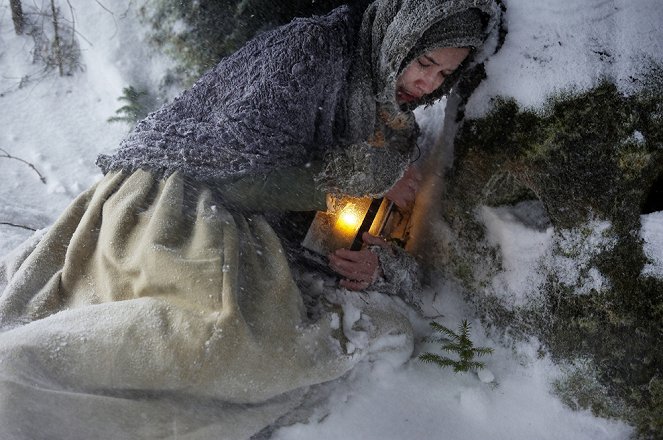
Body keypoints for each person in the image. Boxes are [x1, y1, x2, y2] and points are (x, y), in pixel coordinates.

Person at [0, 0, 498, 438]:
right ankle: (22, 380)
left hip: (249, 232)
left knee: (239, 346)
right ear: (400, 35)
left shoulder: (396, 129)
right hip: (171, 200)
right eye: (424, 62)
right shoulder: (310, 50)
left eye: (444, 75)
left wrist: (375, 264)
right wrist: (353, 181)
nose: (426, 83)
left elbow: (367, 229)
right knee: (207, 336)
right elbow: (228, 169)